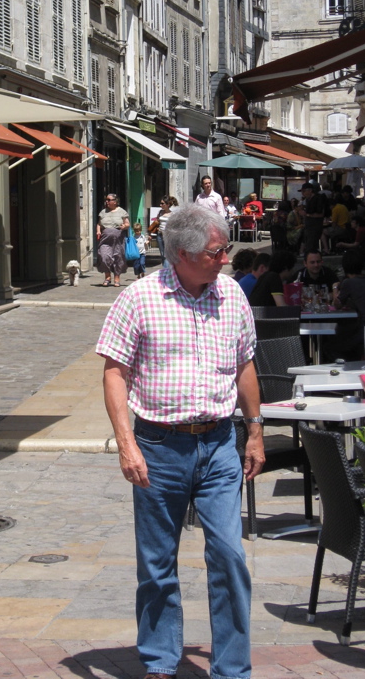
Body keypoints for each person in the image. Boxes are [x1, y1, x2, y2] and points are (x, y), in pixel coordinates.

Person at [96, 204, 265, 679]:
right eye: (217, 251)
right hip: (159, 446)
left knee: (230, 555)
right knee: (156, 564)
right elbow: (115, 372)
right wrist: (126, 443)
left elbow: (245, 365)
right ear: (183, 254)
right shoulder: (139, 299)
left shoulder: (231, 295)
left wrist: (255, 431)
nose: (226, 259)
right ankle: (160, 661)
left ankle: (232, 668)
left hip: (217, 445)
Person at [330, 250, 365, 360]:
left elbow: (337, 304)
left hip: (363, 329)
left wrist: (335, 287)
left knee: (331, 346)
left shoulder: (348, 282)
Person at [96, 193, 130, 287]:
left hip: (118, 238)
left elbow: (127, 224)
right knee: (104, 256)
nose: (106, 201)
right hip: (105, 238)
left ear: (115, 202)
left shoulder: (121, 211)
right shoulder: (103, 212)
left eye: (108, 200)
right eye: (106, 200)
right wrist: (98, 231)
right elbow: (99, 224)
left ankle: (116, 277)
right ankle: (107, 276)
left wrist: (124, 226)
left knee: (118, 257)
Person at [300, 182, 328, 253]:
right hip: (309, 226)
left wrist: (307, 214)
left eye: (304, 191)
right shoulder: (307, 200)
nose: (303, 193)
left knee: (312, 245)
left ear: (310, 190)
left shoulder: (318, 199)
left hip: (315, 226)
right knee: (308, 242)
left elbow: (321, 214)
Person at [155, 195, 178, 265]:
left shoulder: (172, 214)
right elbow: (157, 221)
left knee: (167, 254)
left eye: (162, 203)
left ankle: (167, 270)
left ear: (167, 204)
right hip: (159, 235)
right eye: (160, 203)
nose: (160, 205)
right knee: (162, 253)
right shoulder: (160, 212)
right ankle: (165, 269)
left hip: (168, 235)